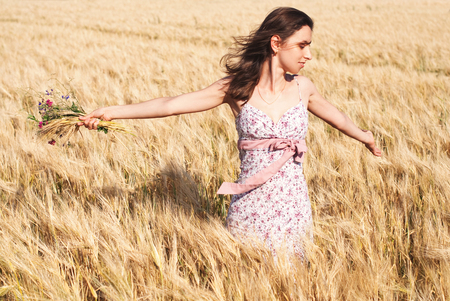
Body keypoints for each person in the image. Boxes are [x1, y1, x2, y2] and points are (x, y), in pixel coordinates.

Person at [78, 7, 382, 258]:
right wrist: (111, 112)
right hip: (249, 204)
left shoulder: (304, 88)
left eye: (309, 46)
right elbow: (171, 105)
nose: (309, 55)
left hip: (293, 206)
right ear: (276, 44)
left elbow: (338, 119)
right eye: (302, 45)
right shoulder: (236, 88)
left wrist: (365, 135)